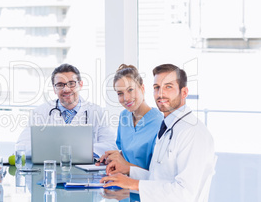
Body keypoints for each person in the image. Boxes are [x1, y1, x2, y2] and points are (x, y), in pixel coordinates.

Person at [100, 64, 216, 202]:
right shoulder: (168, 128)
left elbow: (184, 193)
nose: (161, 94)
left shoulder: (193, 133)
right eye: (157, 88)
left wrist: (133, 184)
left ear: (184, 92)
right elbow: (157, 179)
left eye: (168, 87)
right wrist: (128, 171)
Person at [16, 63, 117, 157]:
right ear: (54, 89)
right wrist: (55, 151)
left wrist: (78, 151)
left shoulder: (98, 112)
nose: (66, 89)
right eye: (60, 85)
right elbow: (21, 147)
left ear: (80, 85)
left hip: (86, 172)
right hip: (50, 170)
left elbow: (111, 145)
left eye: (71, 83)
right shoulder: (40, 112)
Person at [96, 64, 163, 170]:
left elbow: (157, 173)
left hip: (143, 185)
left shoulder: (160, 123)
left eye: (130, 90)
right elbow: (127, 153)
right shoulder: (124, 116)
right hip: (122, 180)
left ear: (142, 88)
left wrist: (124, 164)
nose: (126, 98)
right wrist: (113, 157)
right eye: (120, 93)